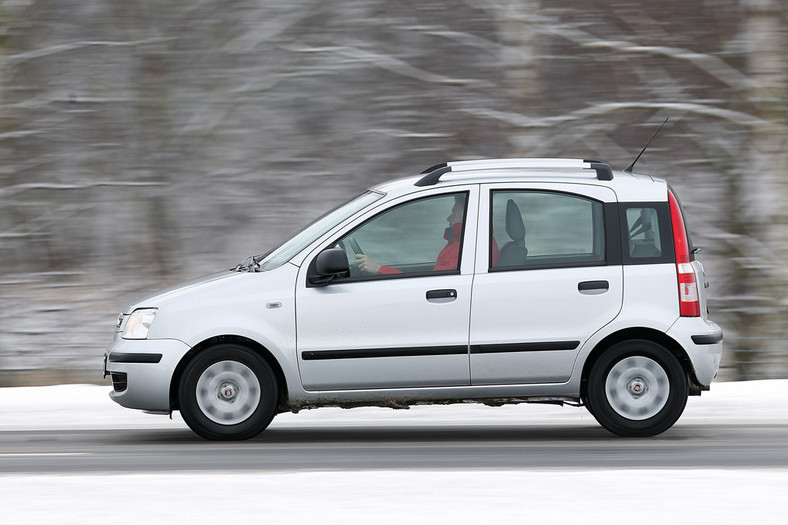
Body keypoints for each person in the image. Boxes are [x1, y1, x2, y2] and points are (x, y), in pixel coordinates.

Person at [355, 195, 499, 275]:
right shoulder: (461, 244)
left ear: (468, 217)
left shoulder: (468, 249)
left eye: (454, 214)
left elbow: (437, 285)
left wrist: (378, 269)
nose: (448, 219)